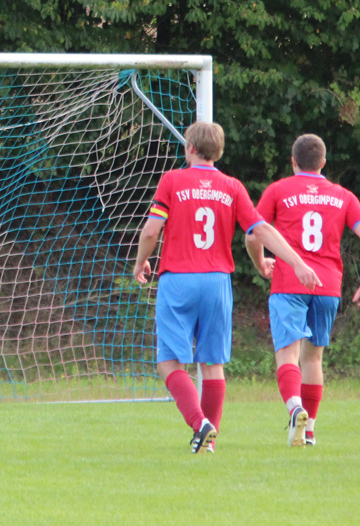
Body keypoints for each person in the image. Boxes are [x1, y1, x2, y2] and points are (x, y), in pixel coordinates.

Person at [133, 122, 321, 453]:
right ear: (219, 152)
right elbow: (261, 230)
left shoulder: (173, 180)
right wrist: (297, 262)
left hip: (178, 279)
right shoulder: (231, 186)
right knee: (212, 364)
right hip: (217, 282)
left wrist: (140, 262)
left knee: (168, 361)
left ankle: (199, 423)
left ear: (190, 148)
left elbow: (151, 231)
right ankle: (210, 441)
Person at [245, 133, 360, 447]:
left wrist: (260, 263)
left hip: (289, 282)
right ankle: (309, 431)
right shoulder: (344, 196)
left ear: (293, 162)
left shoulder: (278, 190)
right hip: (327, 286)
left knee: (288, 353)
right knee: (313, 359)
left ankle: (295, 408)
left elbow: (254, 234)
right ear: (323, 163)